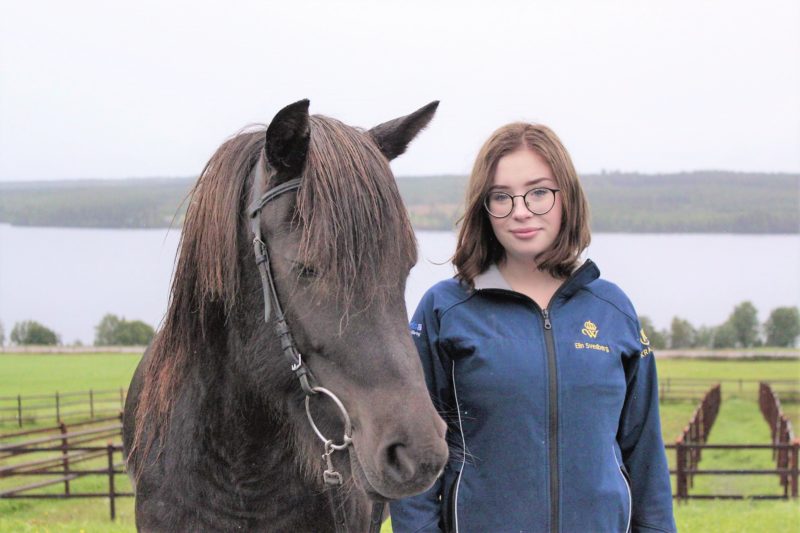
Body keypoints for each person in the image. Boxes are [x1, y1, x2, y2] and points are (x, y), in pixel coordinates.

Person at [390, 123, 676, 533]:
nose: (520, 210)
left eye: (539, 192)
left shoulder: (613, 310)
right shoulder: (445, 309)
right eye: (501, 196)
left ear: (566, 198)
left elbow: (644, 453)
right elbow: (415, 456)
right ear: (483, 207)